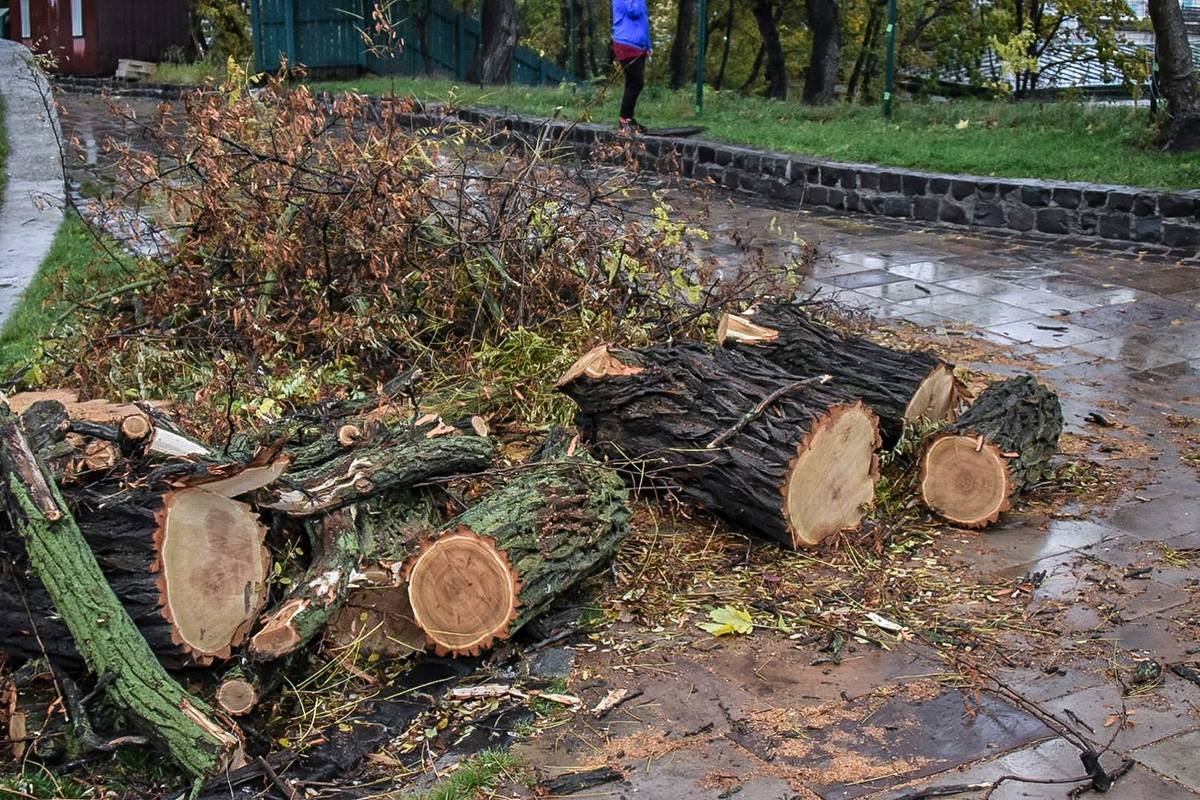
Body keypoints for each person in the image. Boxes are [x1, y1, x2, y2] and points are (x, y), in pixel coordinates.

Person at [611, 0, 651, 134]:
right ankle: (624, 120)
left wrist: (648, 45)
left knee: (633, 83)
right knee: (636, 83)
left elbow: (643, 21)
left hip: (638, 44)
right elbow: (634, 12)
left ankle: (627, 119)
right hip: (626, 42)